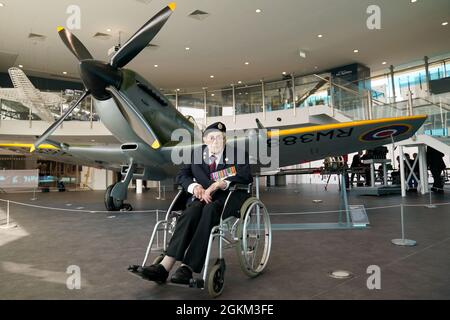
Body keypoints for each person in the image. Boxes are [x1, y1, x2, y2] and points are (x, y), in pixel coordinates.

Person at [138, 122, 253, 284]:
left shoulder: (238, 154)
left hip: (227, 198)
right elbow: (182, 175)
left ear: (225, 139)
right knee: (192, 211)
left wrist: (221, 183)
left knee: (210, 210)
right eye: (211, 137)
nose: (215, 141)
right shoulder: (196, 154)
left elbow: (246, 176)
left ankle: (187, 267)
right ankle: (165, 265)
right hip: (201, 197)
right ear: (205, 140)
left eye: (220, 137)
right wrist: (194, 187)